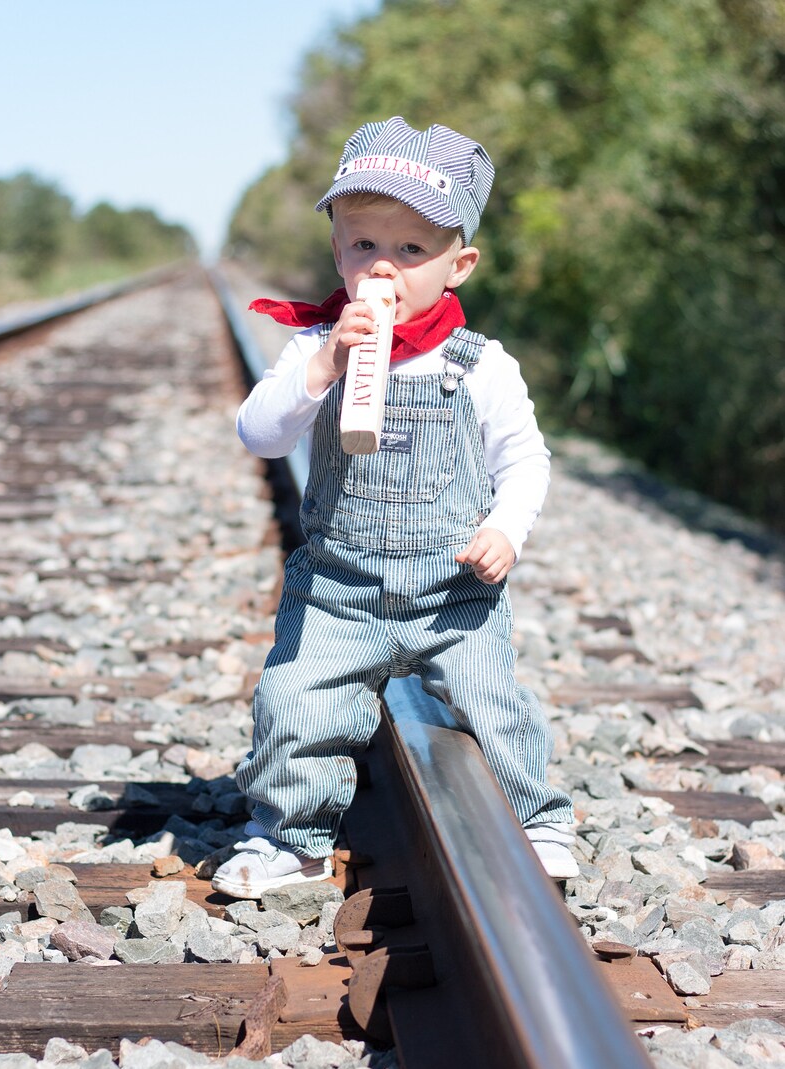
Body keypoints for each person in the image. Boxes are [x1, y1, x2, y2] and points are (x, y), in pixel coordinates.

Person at [212, 116, 577, 900]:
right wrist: (325, 365)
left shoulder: (479, 366)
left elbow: (525, 459)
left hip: (453, 587)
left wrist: (505, 529)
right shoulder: (315, 347)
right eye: (363, 246)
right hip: (339, 588)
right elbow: (260, 433)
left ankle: (536, 819)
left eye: (411, 251)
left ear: (459, 264)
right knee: (293, 701)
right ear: (337, 250)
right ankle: (293, 837)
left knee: (492, 702)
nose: (383, 268)